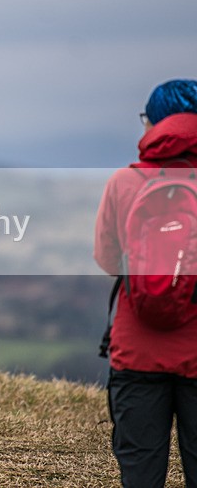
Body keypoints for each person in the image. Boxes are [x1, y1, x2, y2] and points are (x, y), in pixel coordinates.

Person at [94, 79, 197, 487]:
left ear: (154, 124)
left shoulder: (125, 182)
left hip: (137, 352)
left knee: (140, 472)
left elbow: (106, 259)